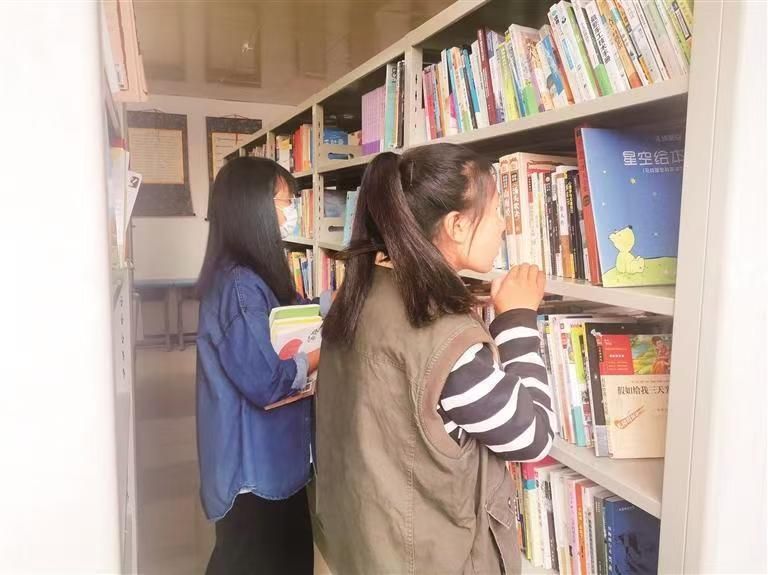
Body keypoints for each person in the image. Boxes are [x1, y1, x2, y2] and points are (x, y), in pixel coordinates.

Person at [316, 143, 555, 574]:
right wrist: (517, 322)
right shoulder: (446, 341)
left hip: (365, 545)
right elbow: (533, 438)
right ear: (457, 225)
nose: (504, 224)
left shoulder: (357, 296)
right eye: (497, 210)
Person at [195, 156, 320, 575]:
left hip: (276, 461)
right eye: (285, 203)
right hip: (253, 471)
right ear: (255, 210)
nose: (291, 214)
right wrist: (320, 354)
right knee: (252, 560)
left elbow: (294, 315)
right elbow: (266, 381)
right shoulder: (239, 286)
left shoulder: (257, 274)